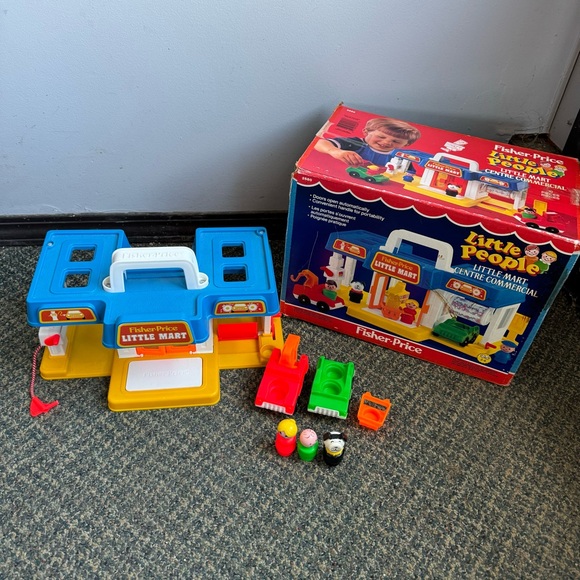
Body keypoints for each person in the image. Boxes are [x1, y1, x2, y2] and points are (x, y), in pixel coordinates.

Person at [314, 117, 421, 167]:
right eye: (381, 136)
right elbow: (319, 143)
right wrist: (336, 151)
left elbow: (408, 176)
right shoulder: (355, 143)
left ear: (406, 144)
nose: (387, 142)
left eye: (396, 141)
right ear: (366, 132)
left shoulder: (401, 157)